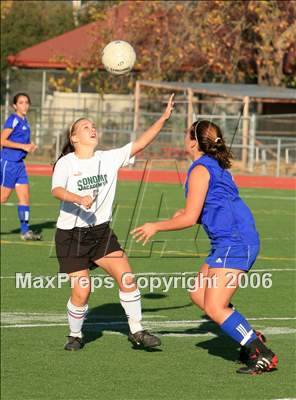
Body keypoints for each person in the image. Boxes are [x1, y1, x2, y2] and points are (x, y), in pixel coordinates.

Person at [131, 119, 278, 375]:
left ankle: (260, 353)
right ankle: (251, 336)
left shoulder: (200, 170)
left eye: (187, 134)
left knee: (214, 306)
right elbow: (215, 206)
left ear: (193, 142)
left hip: (234, 241)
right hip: (229, 239)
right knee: (199, 294)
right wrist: (191, 214)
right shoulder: (217, 166)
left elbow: (190, 218)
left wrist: (157, 226)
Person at [52, 94, 175, 351]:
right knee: (83, 291)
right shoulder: (66, 162)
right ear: (74, 138)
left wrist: (162, 118)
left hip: (100, 233)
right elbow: (57, 191)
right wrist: (78, 198)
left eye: (93, 126)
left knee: (127, 279)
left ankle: (137, 331)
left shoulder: (108, 158)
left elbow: (140, 143)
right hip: (71, 236)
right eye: (85, 127)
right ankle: (75, 335)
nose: (92, 129)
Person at [0, 93, 41, 240]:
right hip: (8, 163)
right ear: (15, 106)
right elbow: (2, 141)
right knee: (3, 198)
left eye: (27, 102)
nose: (25, 105)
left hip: (19, 165)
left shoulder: (25, 121)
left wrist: (29, 146)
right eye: (21, 103)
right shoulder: (13, 120)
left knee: (25, 198)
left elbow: (22, 144)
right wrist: (23, 146)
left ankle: (25, 232)